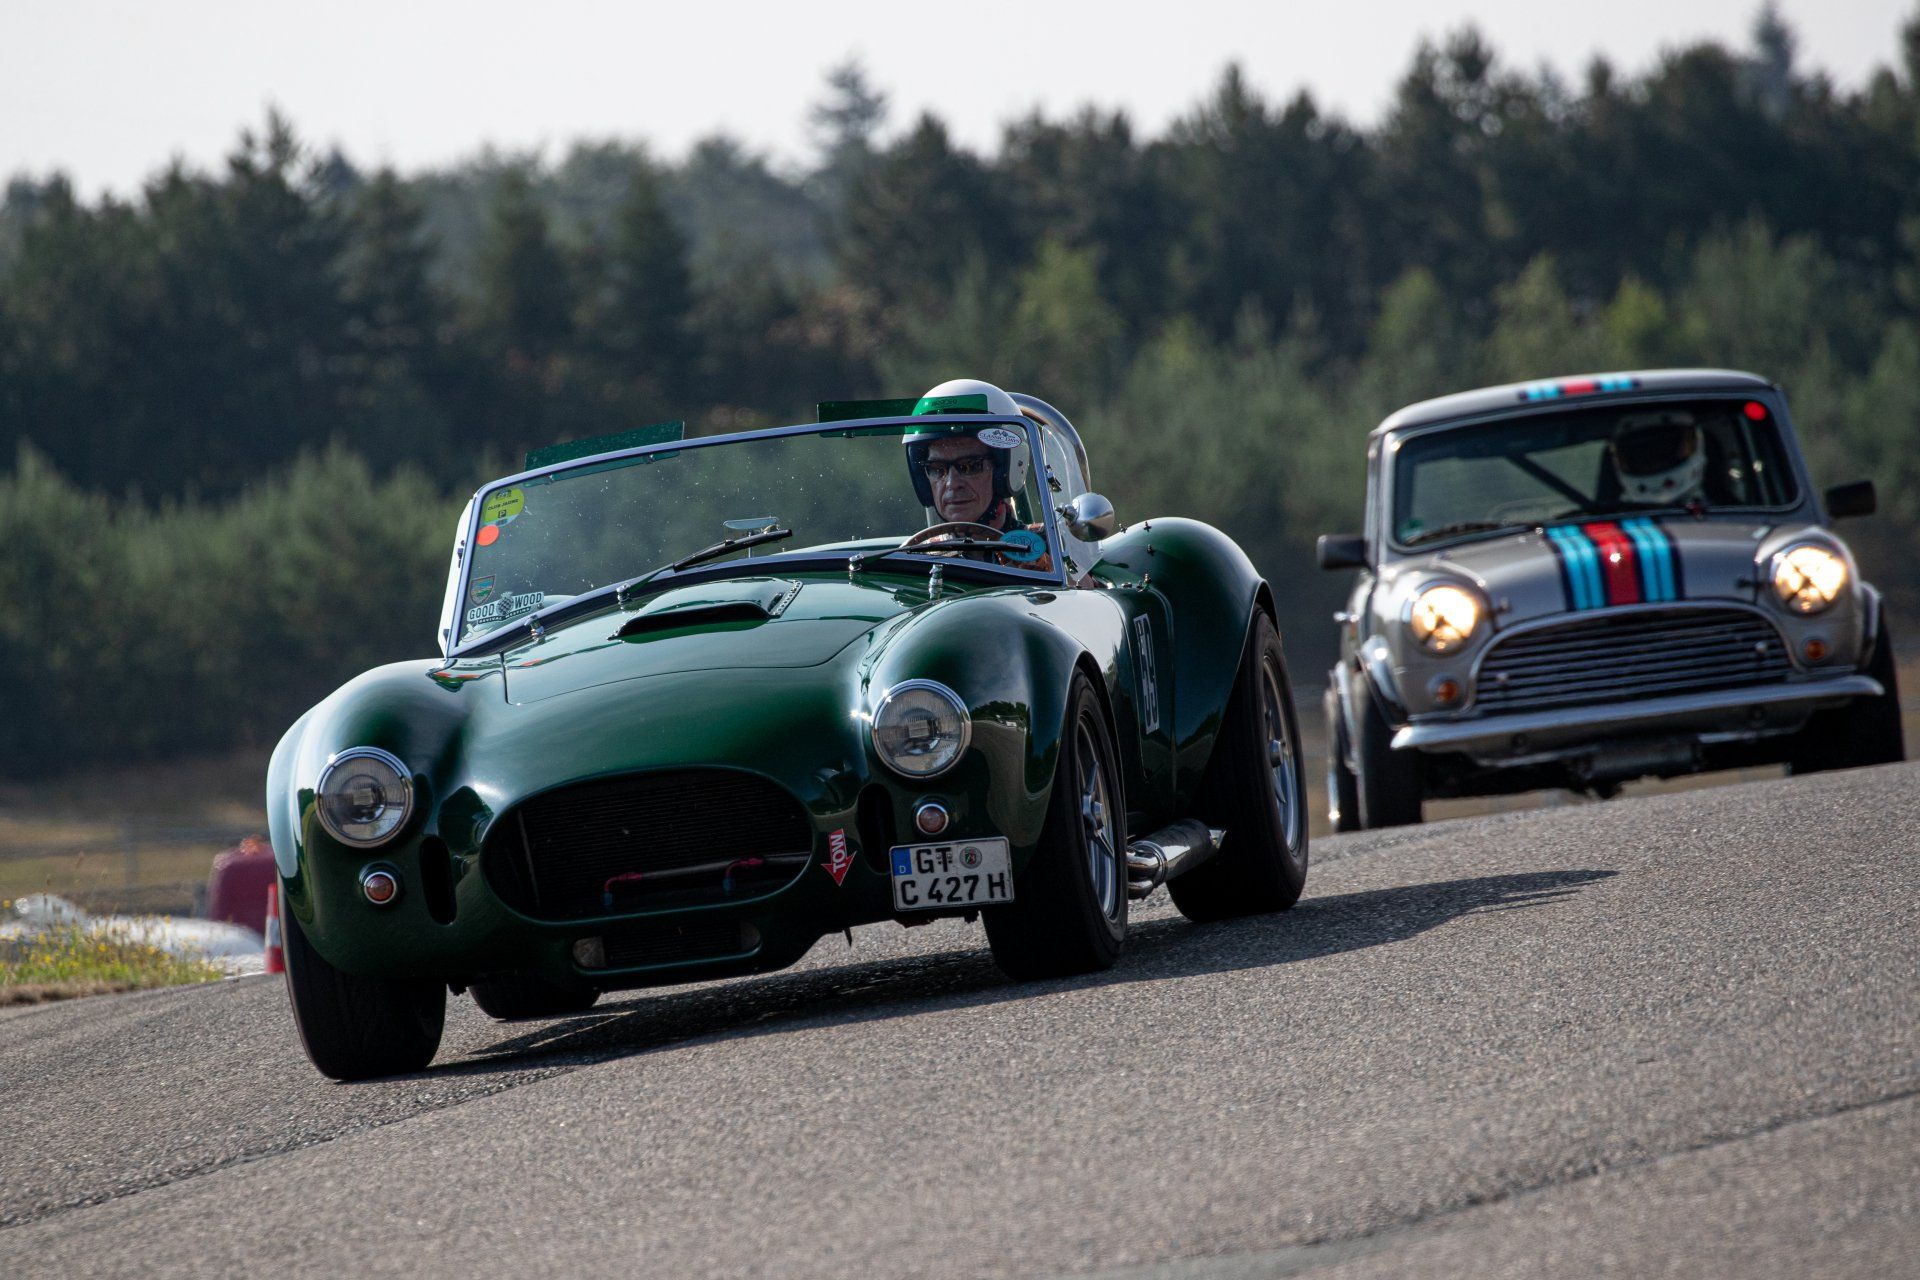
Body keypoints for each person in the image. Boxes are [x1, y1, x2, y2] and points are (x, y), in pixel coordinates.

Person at [903, 379, 1054, 572]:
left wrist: (1057, 576)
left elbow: (1089, 595)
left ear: (1003, 470)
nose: (951, 483)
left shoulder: (1055, 550)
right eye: (937, 469)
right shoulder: (914, 560)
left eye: (969, 466)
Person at [1608, 412, 1707, 506]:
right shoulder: (1610, 519)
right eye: (1642, 454)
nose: (1653, 463)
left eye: (1665, 449)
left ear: (1696, 444)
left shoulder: (1715, 515)